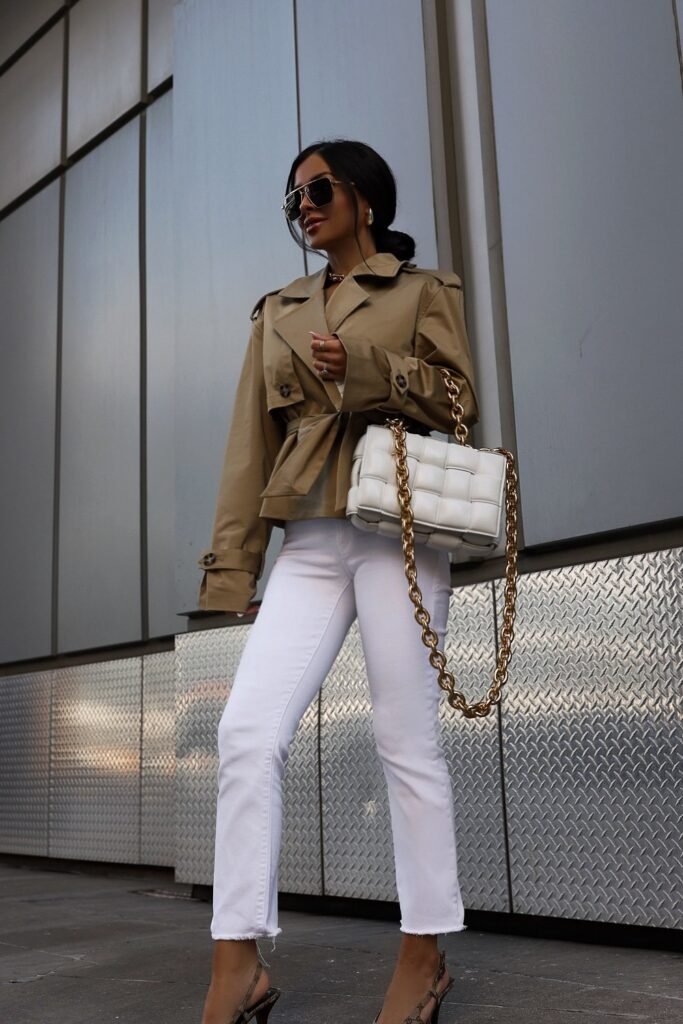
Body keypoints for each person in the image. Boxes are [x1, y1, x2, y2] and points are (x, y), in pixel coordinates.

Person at [197, 139, 479, 1024]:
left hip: (395, 529)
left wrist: (360, 371)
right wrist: (232, 569)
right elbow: (249, 452)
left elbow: (461, 399)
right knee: (244, 733)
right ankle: (235, 960)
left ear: (363, 197)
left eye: (318, 189)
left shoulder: (423, 291)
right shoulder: (275, 311)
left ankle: (422, 951)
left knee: (405, 741)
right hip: (308, 541)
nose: (304, 206)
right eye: (294, 198)